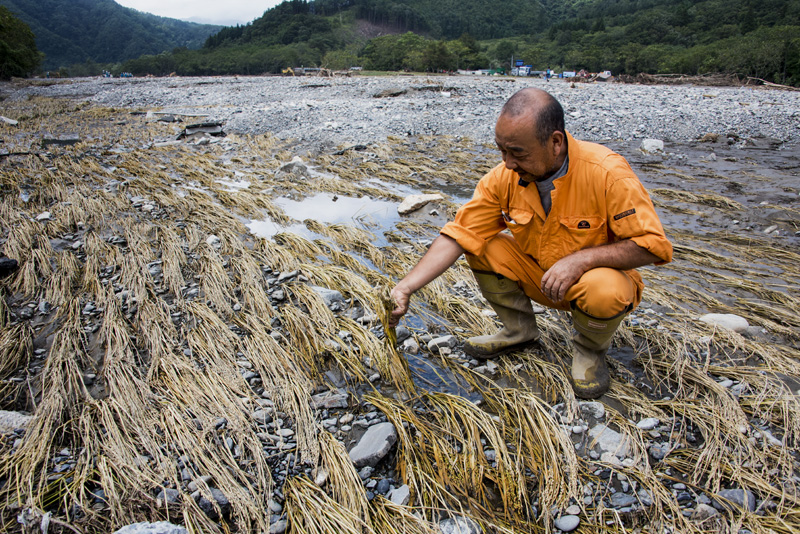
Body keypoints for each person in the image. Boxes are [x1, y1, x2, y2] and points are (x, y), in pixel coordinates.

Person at [388, 88, 673, 399]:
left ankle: (590, 352)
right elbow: (459, 234)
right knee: (484, 245)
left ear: (555, 142)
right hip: (542, 278)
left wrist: (581, 260)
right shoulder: (503, 178)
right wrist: (405, 287)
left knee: (604, 288)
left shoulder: (607, 174)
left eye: (518, 152)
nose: (508, 163)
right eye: (502, 151)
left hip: (593, 287)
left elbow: (652, 245)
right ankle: (519, 332)